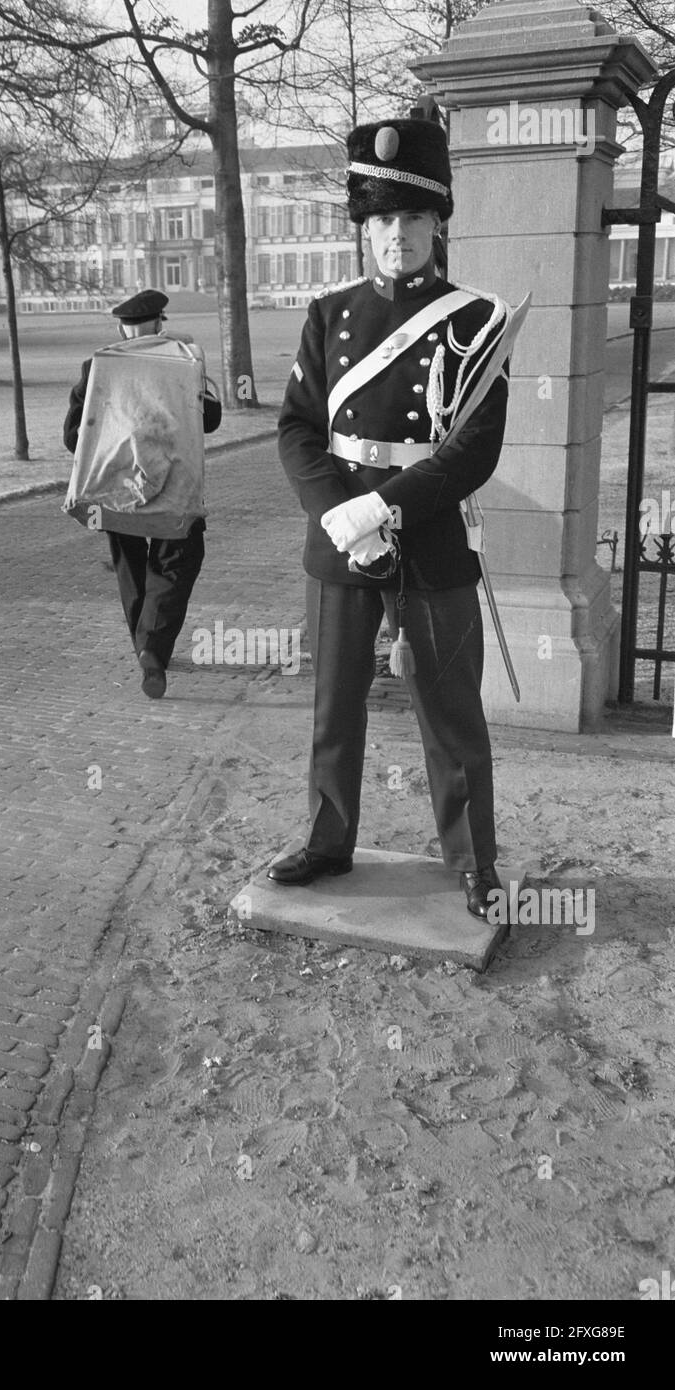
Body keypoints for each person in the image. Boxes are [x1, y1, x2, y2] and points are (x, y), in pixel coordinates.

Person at [268, 118, 512, 920]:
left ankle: (473, 861)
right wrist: (342, 513)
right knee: (333, 704)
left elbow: (474, 448)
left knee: (449, 711)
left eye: (410, 218)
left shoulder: (477, 321)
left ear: (438, 222)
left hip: (428, 532)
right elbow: (298, 427)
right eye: (380, 221)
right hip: (339, 535)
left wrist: (385, 505)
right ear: (363, 229)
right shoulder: (328, 313)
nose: (395, 235)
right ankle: (326, 840)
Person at [63, 289, 221, 699]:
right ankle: (153, 647)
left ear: (121, 327)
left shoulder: (97, 365)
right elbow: (211, 420)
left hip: (114, 491)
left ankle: (144, 646)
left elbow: (72, 437)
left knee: (129, 565)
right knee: (175, 565)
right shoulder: (185, 361)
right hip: (175, 486)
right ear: (160, 323)